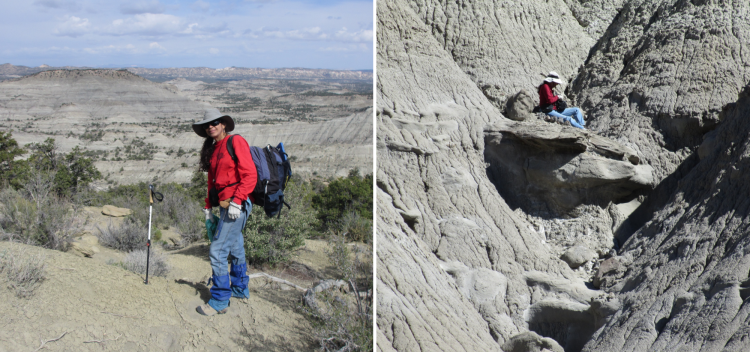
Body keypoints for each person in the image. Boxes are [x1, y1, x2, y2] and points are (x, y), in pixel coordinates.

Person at [192, 108, 257, 316]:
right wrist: (208, 208)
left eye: (215, 123)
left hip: (237, 203)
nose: (211, 127)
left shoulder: (235, 141)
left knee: (217, 250)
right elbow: (212, 183)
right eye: (207, 125)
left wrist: (238, 201)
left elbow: (250, 175)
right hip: (224, 205)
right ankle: (239, 289)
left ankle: (220, 300)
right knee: (236, 247)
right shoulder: (213, 149)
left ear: (224, 125)